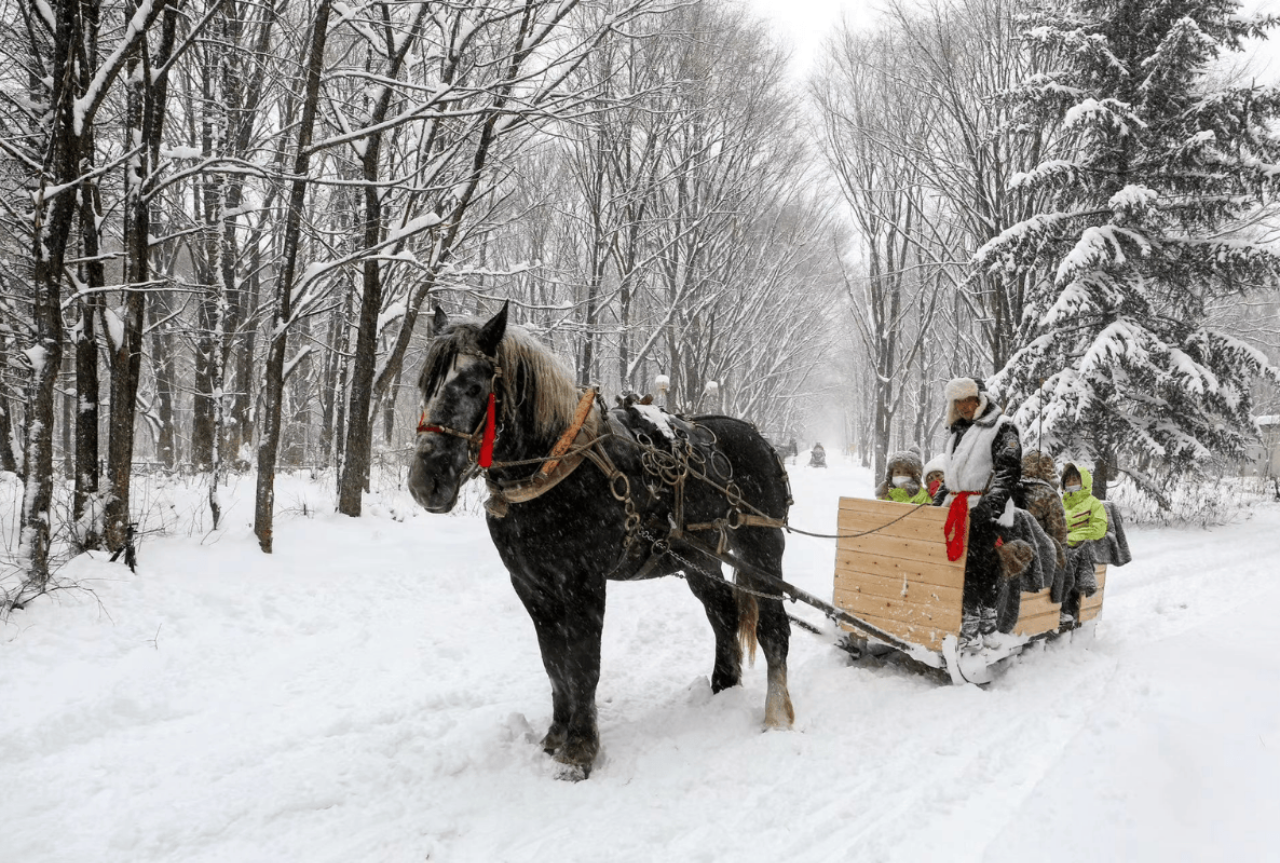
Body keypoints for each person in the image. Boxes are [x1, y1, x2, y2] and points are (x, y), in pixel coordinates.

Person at [932, 377, 1022, 652]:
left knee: (977, 569)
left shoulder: (1002, 428)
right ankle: (977, 625)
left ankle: (978, 628)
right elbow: (952, 477)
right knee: (963, 568)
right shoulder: (958, 432)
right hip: (959, 509)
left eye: (967, 400)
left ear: (979, 398)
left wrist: (988, 508)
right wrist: (937, 504)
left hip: (986, 511)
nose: (963, 406)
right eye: (957, 402)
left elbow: (1008, 472)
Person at [1060, 462, 1108, 626]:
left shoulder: (1094, 504)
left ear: (1084, 481)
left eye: (1075, 480)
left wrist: (1072, 537)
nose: (1071, 483)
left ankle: (1067, 606)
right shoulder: (1060, 503)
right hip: (1060, 544)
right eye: (1069, 480)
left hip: (1082, 547)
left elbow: (1099, 529)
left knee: (1067, 559)